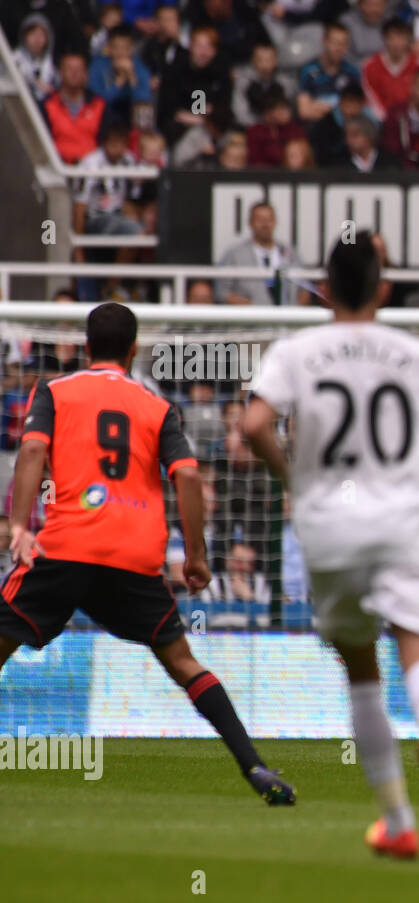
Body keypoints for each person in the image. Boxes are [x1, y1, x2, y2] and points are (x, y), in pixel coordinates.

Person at [0, 302, 294, 805]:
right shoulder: (158, 407)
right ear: (134, 349)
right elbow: (187, 475)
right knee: (183, 662)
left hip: (68, 545)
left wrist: (18, 526)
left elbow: (30, 451)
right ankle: (255, 765)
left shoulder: (54, 390)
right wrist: (197, 556)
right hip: (133, 555)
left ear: (86, 346)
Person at [242, 230, 419, 858]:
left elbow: (254, 423)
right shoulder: (416, 353)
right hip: (402, 518)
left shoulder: (297, 351)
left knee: (361, 671)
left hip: (328, 521)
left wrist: (293, 476)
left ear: (324, 286)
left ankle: (398, 821)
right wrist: (401, 469)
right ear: (384, 287)